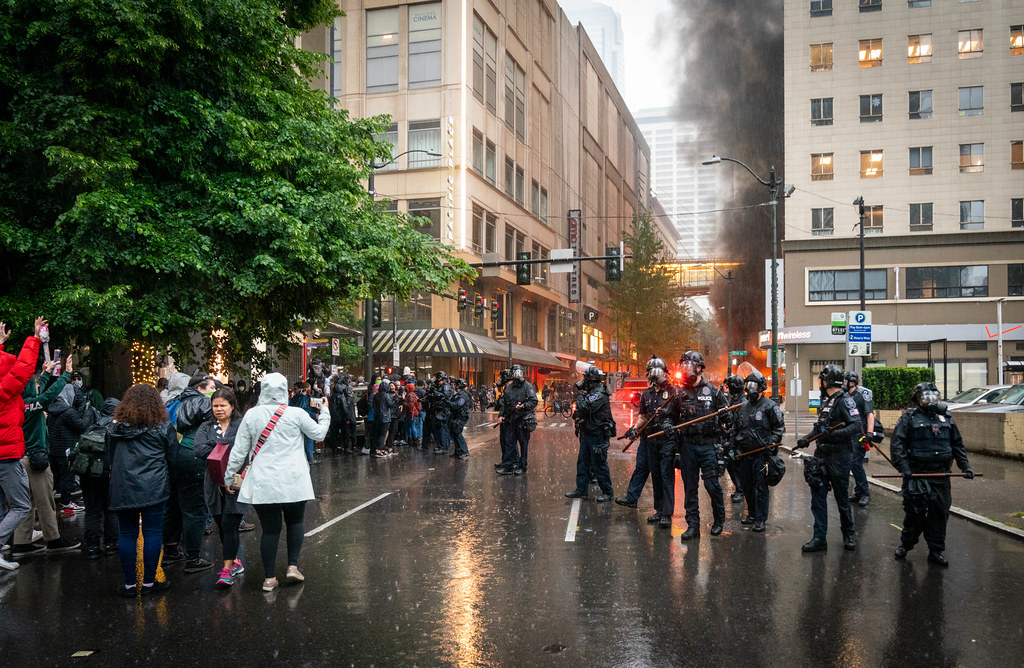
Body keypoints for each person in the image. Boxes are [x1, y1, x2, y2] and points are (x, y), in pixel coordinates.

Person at [225, 372, 330, 592]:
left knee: (270, 530)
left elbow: (239, 450)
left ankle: (269, 578)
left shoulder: (252, 415)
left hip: (264, 481)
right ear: (285, 391)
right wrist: (325, 412)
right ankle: (292, 566)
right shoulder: (296, 414)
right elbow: (319, 434)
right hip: (294, 480)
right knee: (295, 522)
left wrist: (229, 476)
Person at [889, 382, 974, 567]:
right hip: (917, 475)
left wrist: (965, 466)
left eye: (934, 397)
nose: (930, 401)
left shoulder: (946, 418)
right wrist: (904, 468)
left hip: (941, 475)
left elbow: (957, 445)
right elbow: (897, 445)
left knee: (939, 513)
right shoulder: (909, 418)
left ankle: (936, 550)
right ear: (918, 399)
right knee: (915, 514)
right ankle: (906, 544)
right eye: (926, 397)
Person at [107, 384, 177, 597]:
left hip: (122, 486)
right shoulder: (163, 428)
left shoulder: (115, 429)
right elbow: (172, 457)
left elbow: (109, 457)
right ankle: (148, 582)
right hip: (153, 486)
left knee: (127, 533)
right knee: (152, 532)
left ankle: (129, 584)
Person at [14, 351, 81, 556]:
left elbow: (39, 393)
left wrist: (45, 373)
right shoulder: (32, 405)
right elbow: (48, 395)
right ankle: (53, 539)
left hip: (19, 458)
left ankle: (21, 542)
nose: (37, 384)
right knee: (45, 500)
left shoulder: (17, 403)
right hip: (36, 459)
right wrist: (65, 374)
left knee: (25, 502)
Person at [796, 364, 864, 552]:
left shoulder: (845, 401)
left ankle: (848, 535)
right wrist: (806, 439)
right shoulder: (827, 402)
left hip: (839, 456)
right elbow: (820, 429)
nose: (821, 383)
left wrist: (834, 434)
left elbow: (856, 426)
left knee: (842, 499)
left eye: (822, 380)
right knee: (818, 499)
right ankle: (819, 538)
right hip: (822, 455)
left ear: (827, 381)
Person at [193, 388, 249, 587]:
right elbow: (199, 449)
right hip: (214, 481)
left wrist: (217, 445)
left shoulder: (241, 425)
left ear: (232, 406)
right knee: (221, 525)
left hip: (236, 482)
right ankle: (235, 561)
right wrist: (228, 445)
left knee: (229, 524)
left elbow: (245, 447)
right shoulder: (206, 426)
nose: (218, 409)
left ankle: (226, 570)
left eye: (223, 405)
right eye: (215, 405)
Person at [0, 318, 44, 572]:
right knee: (21, 504)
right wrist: (34, 338)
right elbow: (23, 369)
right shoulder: (5, 388)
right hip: (5, 454)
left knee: (1, 507)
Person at [672, 351, 728, 540]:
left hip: (708, 446)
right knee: (690, 488)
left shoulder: (713, 392)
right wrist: (667, 424)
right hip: (688, 446)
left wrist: (726, 416)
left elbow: (729, 418)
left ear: (699, 368)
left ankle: (719, 520)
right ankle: (693, 526)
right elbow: (671, 417)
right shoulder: (679, 393)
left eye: (688, 366)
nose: (685, 370)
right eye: (683, 366)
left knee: (712, 485)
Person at [162, 375, 215, 573]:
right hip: (193, 456)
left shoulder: (172, 403)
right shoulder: (204, 403)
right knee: (195, 508)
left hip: (171, 456)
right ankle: (193, 557)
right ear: (200, 388)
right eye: (211, 387)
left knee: (173, 505)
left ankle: (171, 550)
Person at [615, 357, 672, 513]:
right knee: (641, 467)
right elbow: (643, 416)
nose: (656, 376)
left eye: (659, 372)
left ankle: (663, 510)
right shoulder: (646, 394)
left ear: (665, 373)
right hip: (648, 438)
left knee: (662, 474)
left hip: (664, 439)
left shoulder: (672, 392)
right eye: (653, 373)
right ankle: (631, 498)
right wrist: (634, 428)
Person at [730, 372, 784, 533]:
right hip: (745, 454)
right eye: (748, 385)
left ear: (761, 387)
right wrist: (733, 446)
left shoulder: (770, 406)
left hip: (761, 454)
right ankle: (752, 514)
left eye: (754, 385)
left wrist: (771, 442)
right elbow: (736, 428)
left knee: (760, 487)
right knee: (747, 486)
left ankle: (761, 519)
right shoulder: (743, 407)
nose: (750, 389)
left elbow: (779, 427)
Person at [75, 398, 121, 558]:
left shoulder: (92, 427)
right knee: (111, 510)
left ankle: (92, 547)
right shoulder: (118, 428)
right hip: (110, 474)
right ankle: (111, 544)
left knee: (92, 511)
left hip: (89, 475)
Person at [565, 366, 615, 501]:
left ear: (591, 380)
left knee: (599, 464)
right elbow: (580, 410)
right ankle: (581, 489)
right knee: (583, 462)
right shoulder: (590, 392)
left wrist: (579, 395)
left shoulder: (599, 393)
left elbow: (587, 407)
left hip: (598, 434)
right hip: (587, 432)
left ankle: (607, 491)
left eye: (586, 379)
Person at [47, 377, 93, 511]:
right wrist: (87, 411)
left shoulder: (52, 409)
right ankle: (66, 503)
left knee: (57, 477)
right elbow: (81, 425)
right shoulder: (68, 412)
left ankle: (54, 501)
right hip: (67, 449)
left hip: (54, 449)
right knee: (67, 477)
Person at [495, 365, 537, 475]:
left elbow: (533, 401)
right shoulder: (509, 388)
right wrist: (501, 415)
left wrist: (523, 406)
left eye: (519, 373)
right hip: (511, 420)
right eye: (515, 373)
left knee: (523, 445)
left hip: (523, 420)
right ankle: (507, 466)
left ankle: (522, 466)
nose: (518, 375)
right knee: (509, 443)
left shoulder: (527, 386)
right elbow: (504, 404)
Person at [844, 371, 875, 507]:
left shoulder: (862, 396)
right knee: (851, 464)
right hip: (848, 435)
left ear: (851, 382)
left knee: (856, 464)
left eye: (845, 381)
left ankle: (865, 493)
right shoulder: (845, 397)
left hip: (860, 436)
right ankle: (858, 493)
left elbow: (869, 414)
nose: (843, 383)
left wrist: (869, 433)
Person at [722, 374, 746, 504]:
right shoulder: (734, 400)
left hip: (738, 440)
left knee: (736, 466)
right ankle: (739, 488)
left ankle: (741, 490)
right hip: (732, 437)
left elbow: (739, 423)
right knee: (731, 465)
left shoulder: (743, 402)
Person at [428, 372, 453, 455]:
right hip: (437, 409)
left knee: (442, 429)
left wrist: (435, 393)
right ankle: (440, 445)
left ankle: (443, 447)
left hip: (443, 410)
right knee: (437, 429)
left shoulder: (445, 386)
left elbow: (444, 396)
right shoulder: (437, 386)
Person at [448, 378, 471, 460]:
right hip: (456, 416)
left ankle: (464, 451)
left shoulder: (463, 395)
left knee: (457, 433)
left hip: (461, 416)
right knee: (454, 433)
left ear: (458, 386)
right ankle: (458, 451)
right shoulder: (457, 395)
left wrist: (448, 402)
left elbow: (457, 405)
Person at [403, 382, 423, 448]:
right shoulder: (413, 394)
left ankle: (414, 439)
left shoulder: (410, 395)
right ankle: (412, 440)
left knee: (412, 426)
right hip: (413, 413)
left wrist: (404, 402)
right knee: (411, 426)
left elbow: (410, 405)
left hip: (411, 413)